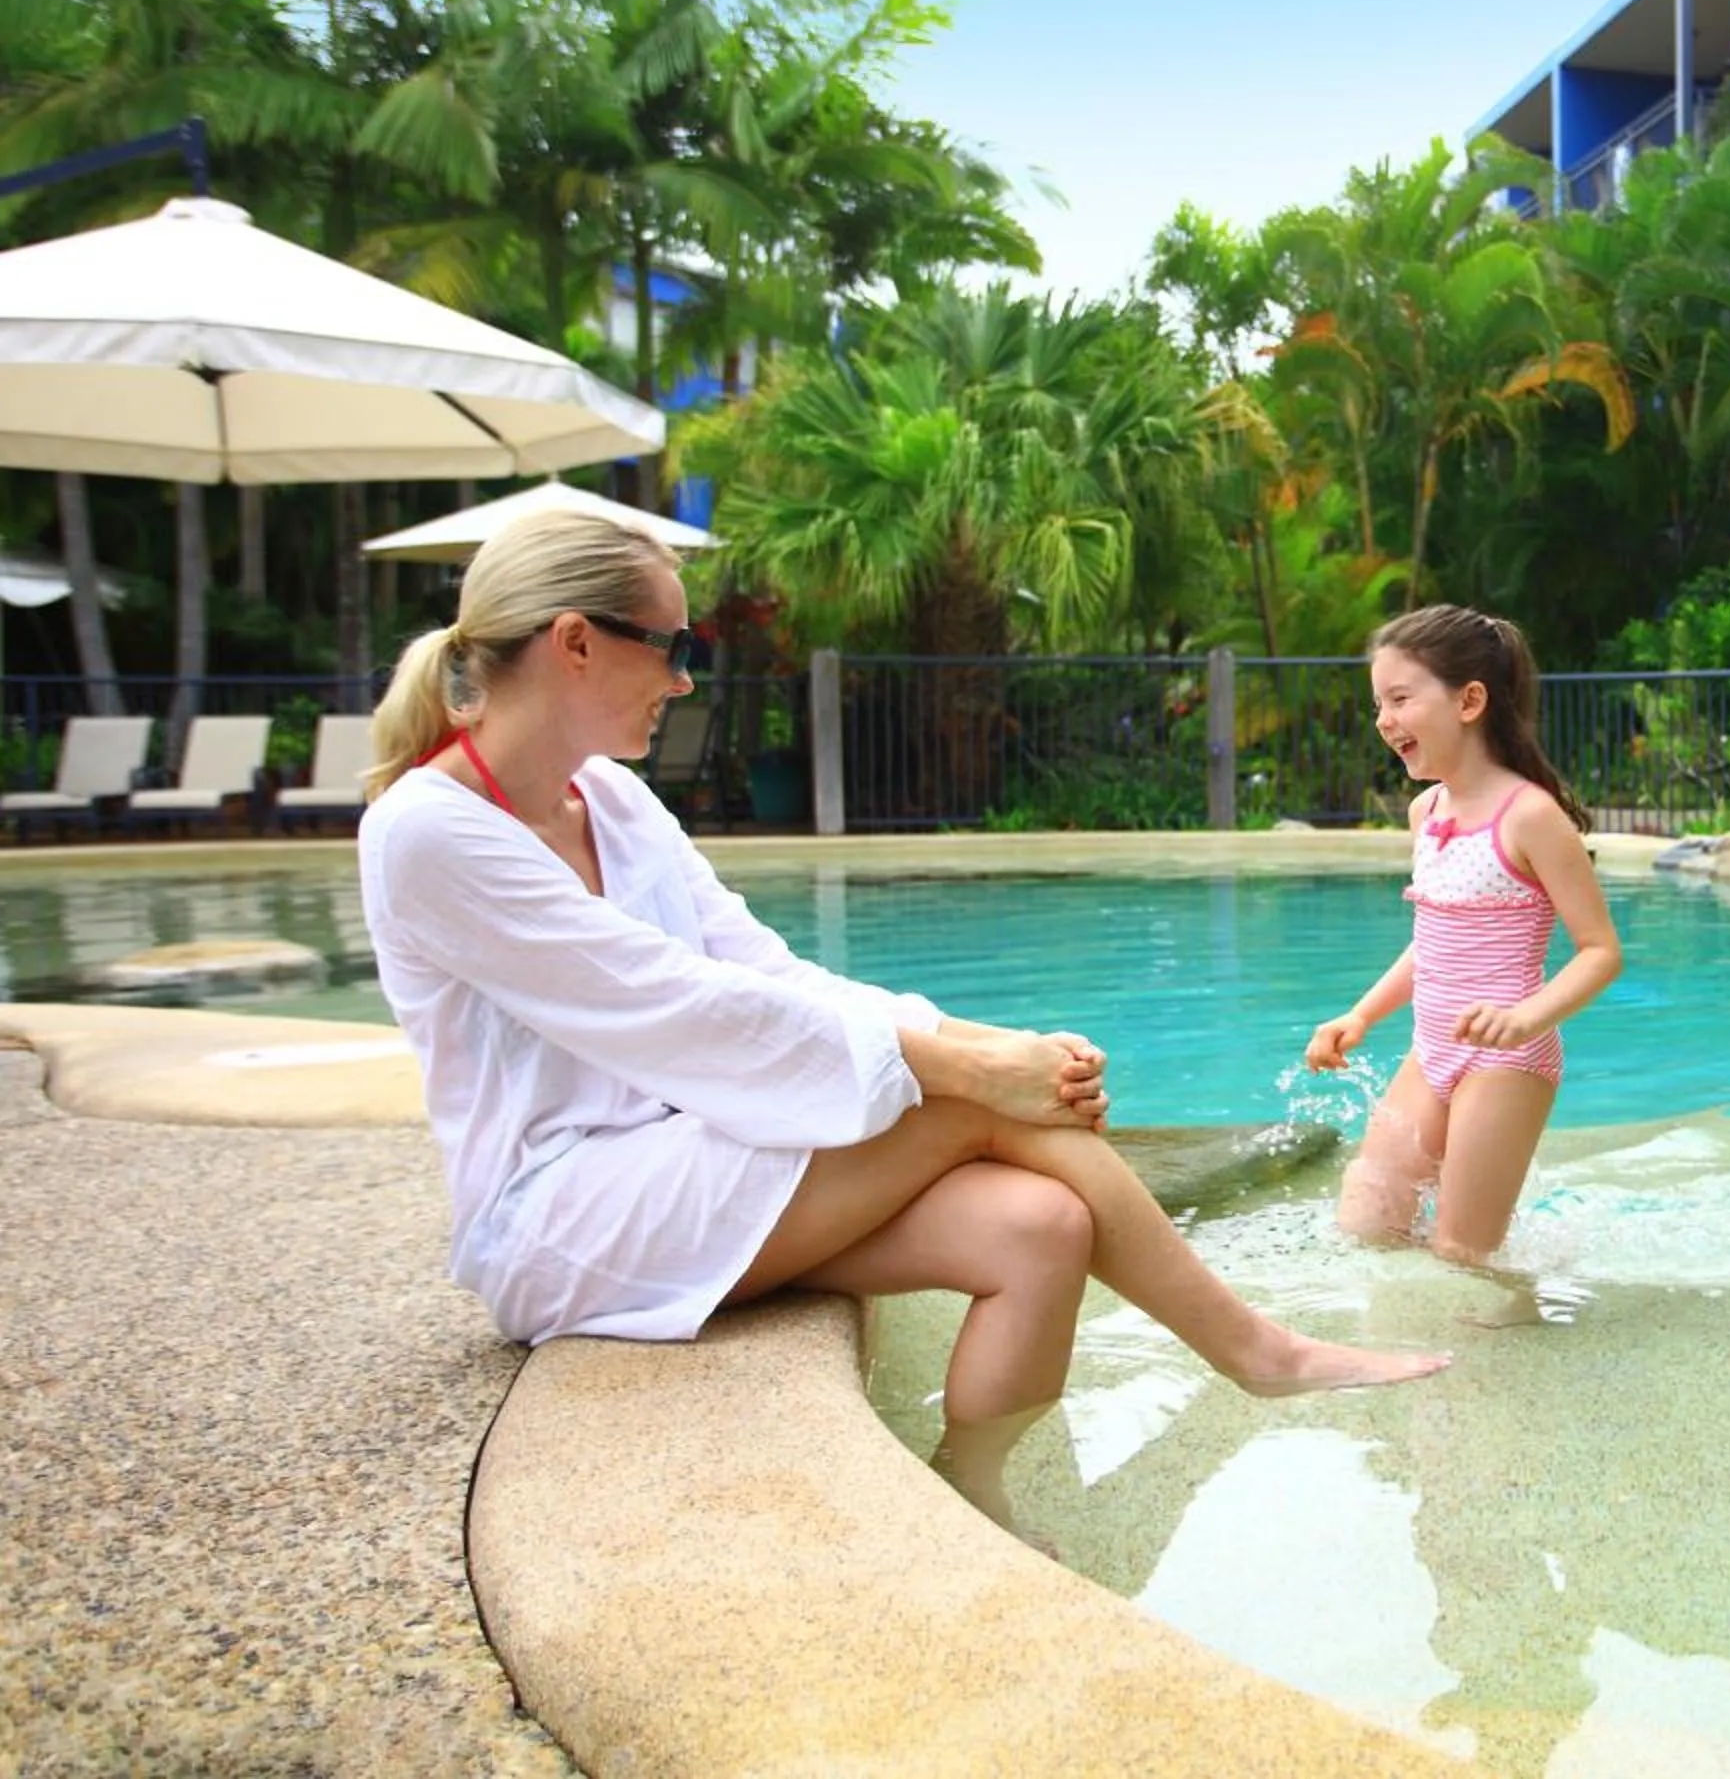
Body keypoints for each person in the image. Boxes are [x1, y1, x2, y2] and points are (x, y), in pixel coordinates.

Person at [356, 511, 1442, 1525]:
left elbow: (761, 966)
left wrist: (974, 1039)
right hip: (565, 1213)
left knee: (1041, 1226)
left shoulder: (616, 800)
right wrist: (970, 1069)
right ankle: (1257, 1351)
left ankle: (972, 1492)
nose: (686, 680)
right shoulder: (429, 831)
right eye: (675, 648)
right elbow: (671, 1004)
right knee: (984, 1109)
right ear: (576, 642)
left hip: (694, 1159)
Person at [1303, 605, 1622, 1268]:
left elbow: (1600, 952)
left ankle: (1502, 1360)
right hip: (1432, 1049)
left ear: (1470, 700)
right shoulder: (1428, 811)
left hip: (1508, 1059)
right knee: (1368, 1225)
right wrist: (1360, 1013)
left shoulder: (1529, 816)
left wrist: (1525, 1016)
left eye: (1399, 699)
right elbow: (1437, 940)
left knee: (1462, 1253)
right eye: (1377, 704)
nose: (1383, 721)